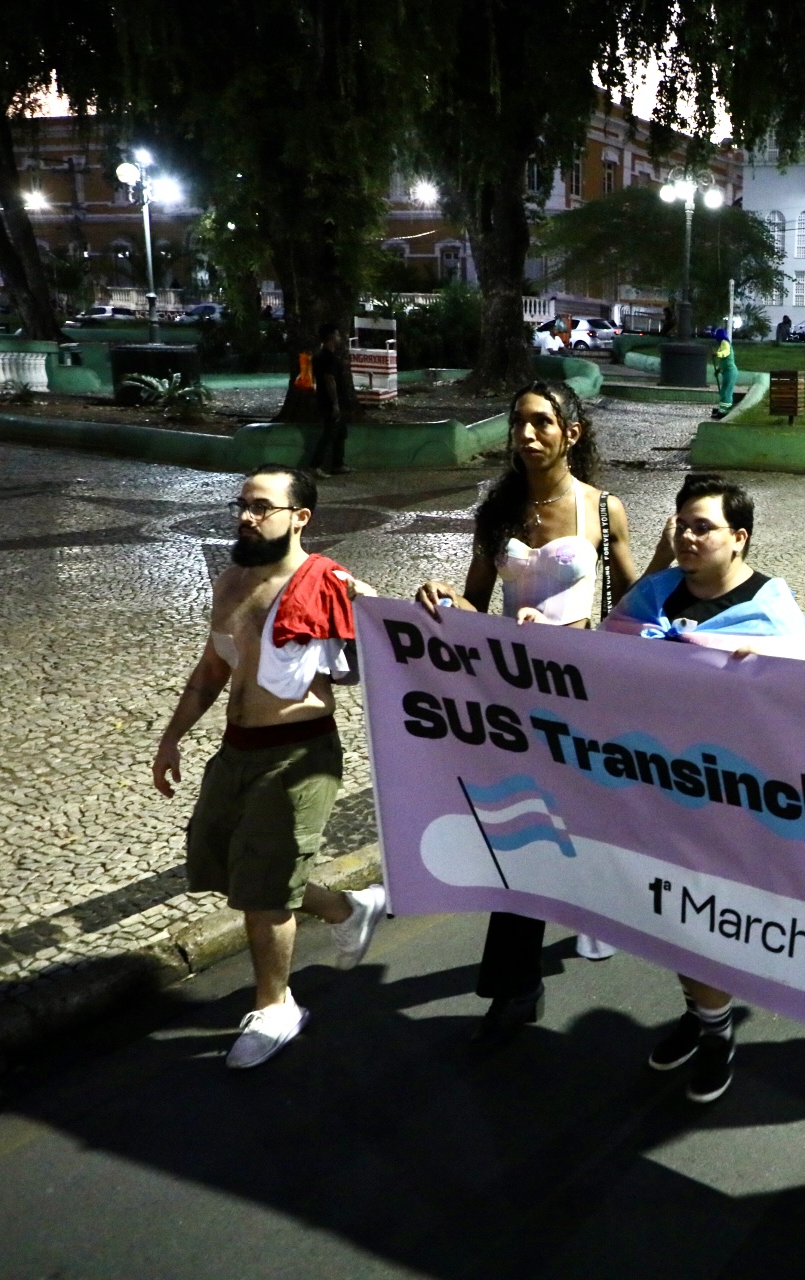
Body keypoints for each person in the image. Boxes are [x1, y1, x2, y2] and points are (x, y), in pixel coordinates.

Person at [412, 382, 641, 1047]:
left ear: (572, 432)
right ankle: (517, 984)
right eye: (519, 422)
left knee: (573, 827)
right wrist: (441, 596)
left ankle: (581, 919)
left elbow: (632, 607)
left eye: (542, 422)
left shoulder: (603, 511)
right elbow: (476, 603)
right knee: (523, 835)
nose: (527, 433)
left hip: (579, 699)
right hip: (514, 698)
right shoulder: (499, 511)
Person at [151, 464, 387, 1069]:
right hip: (237, 749)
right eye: (243, 506)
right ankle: (347, 908)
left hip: (300, 754)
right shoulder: (231, 582)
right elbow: (213, 670)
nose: (246, 517)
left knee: (262, 888)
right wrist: (172, 737)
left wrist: (373, 606)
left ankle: (276, 1006)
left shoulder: (328, 581)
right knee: (227, 867)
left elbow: (390, 648)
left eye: (261, 507)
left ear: (299, 517)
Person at [599, 475, 805, 1102]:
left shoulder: (770, 604)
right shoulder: (657, 592)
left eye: (702, 527)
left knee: (710, 913)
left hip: (735, 793)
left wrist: (759, 673)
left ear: (739, 538)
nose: (686, 537)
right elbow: (606, 661)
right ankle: (704, 1018)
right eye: (681, 524)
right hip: (660, 782)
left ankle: (716, 1029)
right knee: (672, 910)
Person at [309, 322, 350, 475]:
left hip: (325, 399)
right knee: (329, 433)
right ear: (332, 337)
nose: (339, 338)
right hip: (330, 401)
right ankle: (315, 465)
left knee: (339, 432)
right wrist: (335, 404)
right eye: (338, 335)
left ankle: (338, 463)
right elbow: (329, 380)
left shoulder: (319, 356)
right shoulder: (328, 358)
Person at [710, 326, 737, 419]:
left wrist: (717, 354)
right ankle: (722, 410)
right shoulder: (722, 344)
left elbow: (725, 353)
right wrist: (719, 369)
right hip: (726, 372)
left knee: (726, 392)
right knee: (724, 391)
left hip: (730, 371)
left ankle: (724, 411)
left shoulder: (725, 343)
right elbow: (723, 361)